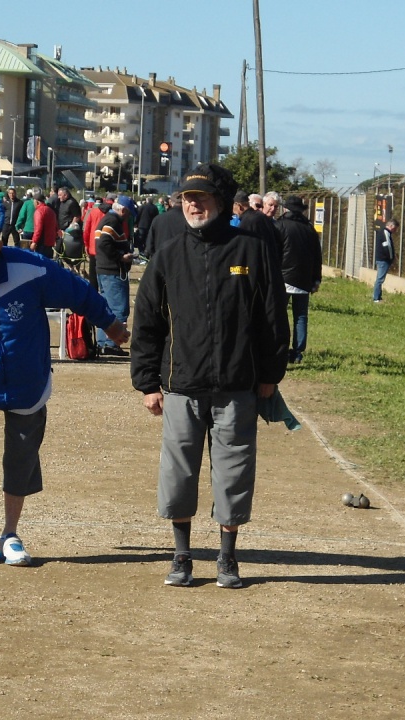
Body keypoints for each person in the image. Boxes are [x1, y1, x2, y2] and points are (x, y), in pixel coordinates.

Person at [0, 213, 129, 568]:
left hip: (28, 381)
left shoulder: (31, 268)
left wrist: (109, 323)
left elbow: (77, 291)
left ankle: (9, 534)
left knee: (22, 456)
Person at [130, 163, 289, 590]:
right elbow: (146, 323)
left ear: (221, 202)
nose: (193, 204)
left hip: (238, 385)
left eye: (201, 198)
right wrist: (147, 381)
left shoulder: (251, 251)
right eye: (187, 198)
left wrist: (271, 374)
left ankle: (227, 556)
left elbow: (273, 319)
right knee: (178, 472)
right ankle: (181, 556)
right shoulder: (167, 256)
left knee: (234, 472)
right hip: (182, 384)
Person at [274, 195, 322, 364]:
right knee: (301, 315)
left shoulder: (279, 226)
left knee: (280, 314)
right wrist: (316, 279)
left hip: (283, 278)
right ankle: (298, 352)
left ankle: (280, 347)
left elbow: (275, 254)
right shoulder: (310, 229)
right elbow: (317, 257)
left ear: (285, 209)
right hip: (304, 279)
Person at [93, 195, 135, 356]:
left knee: (107, 308)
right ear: (123, 210)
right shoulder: (113, 221)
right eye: (129, 213)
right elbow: (103, 243)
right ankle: (111, 343)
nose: (128, 217)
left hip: (103, 269)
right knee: (118, 308)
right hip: (112, 271)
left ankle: (104, 342)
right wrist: (121, 257)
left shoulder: (107, 219)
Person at [372, 219, 396, 303]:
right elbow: (388, 246)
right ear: (391, 226)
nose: (395, 231)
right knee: (380, 279)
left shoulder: (382, 231)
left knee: (380, 278)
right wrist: (391, 257)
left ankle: (378, 296)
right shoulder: (385, 232)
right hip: (383, 259)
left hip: (381, 259)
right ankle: (376, 298)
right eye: (395, 228)